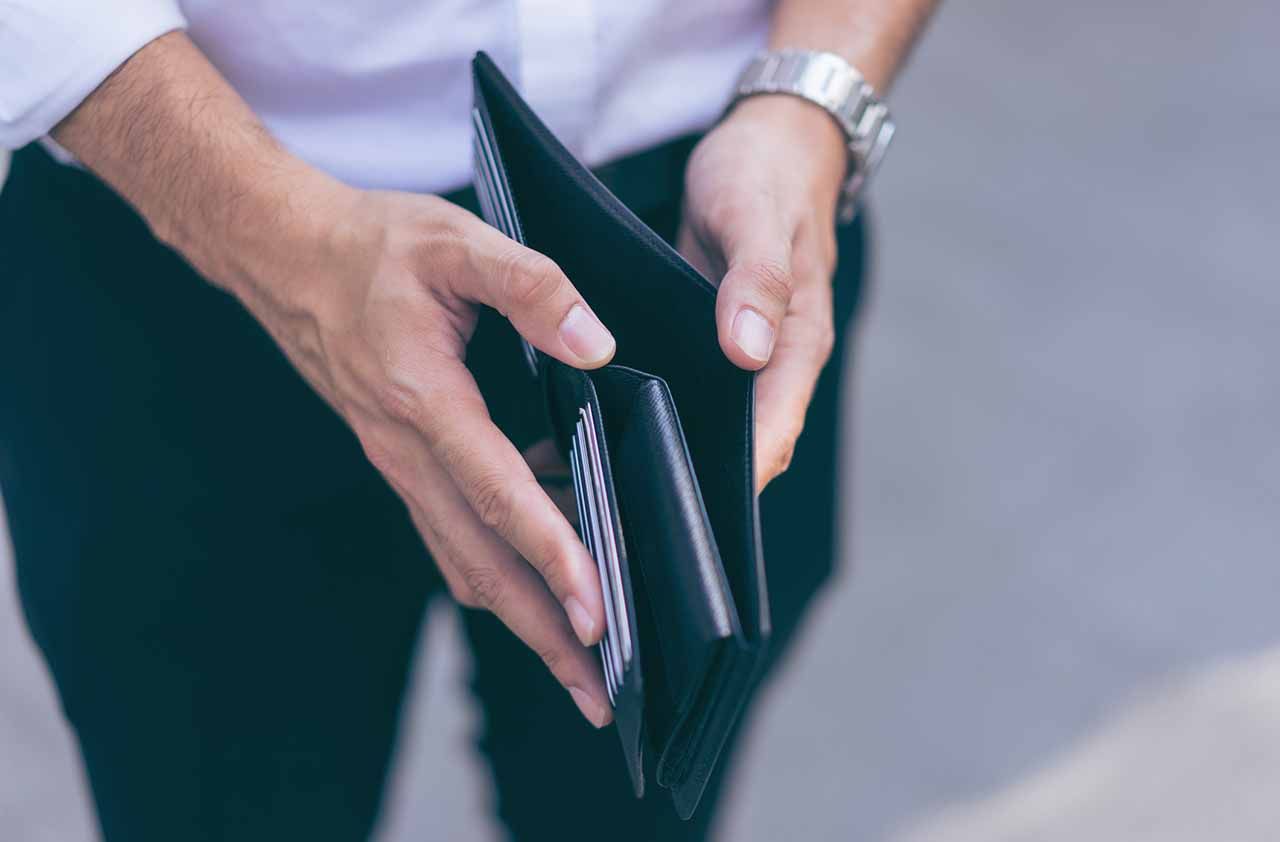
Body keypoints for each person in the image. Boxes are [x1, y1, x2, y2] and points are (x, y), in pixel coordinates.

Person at [0, 1, 936, 839]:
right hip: (193, 223)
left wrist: (815, 96)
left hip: (719, 218)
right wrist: (271, 233)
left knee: (642, 802)